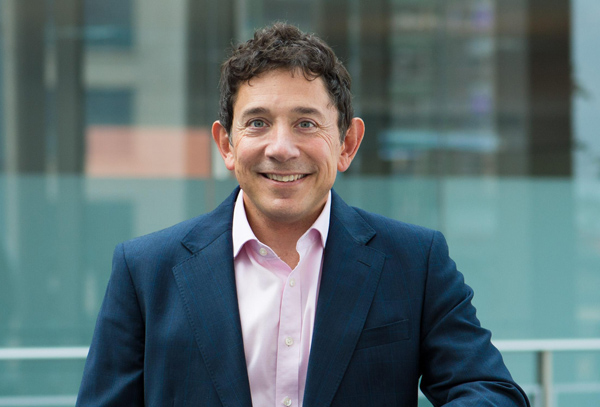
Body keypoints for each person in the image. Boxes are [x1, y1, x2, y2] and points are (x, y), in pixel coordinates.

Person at [77, 23, 530, 407]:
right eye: (257, 123)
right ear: (227, 145)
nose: (281, 148)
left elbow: (490, 391)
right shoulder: (145, 270)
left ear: (347, 144)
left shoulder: (416, 261)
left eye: (306, 123)